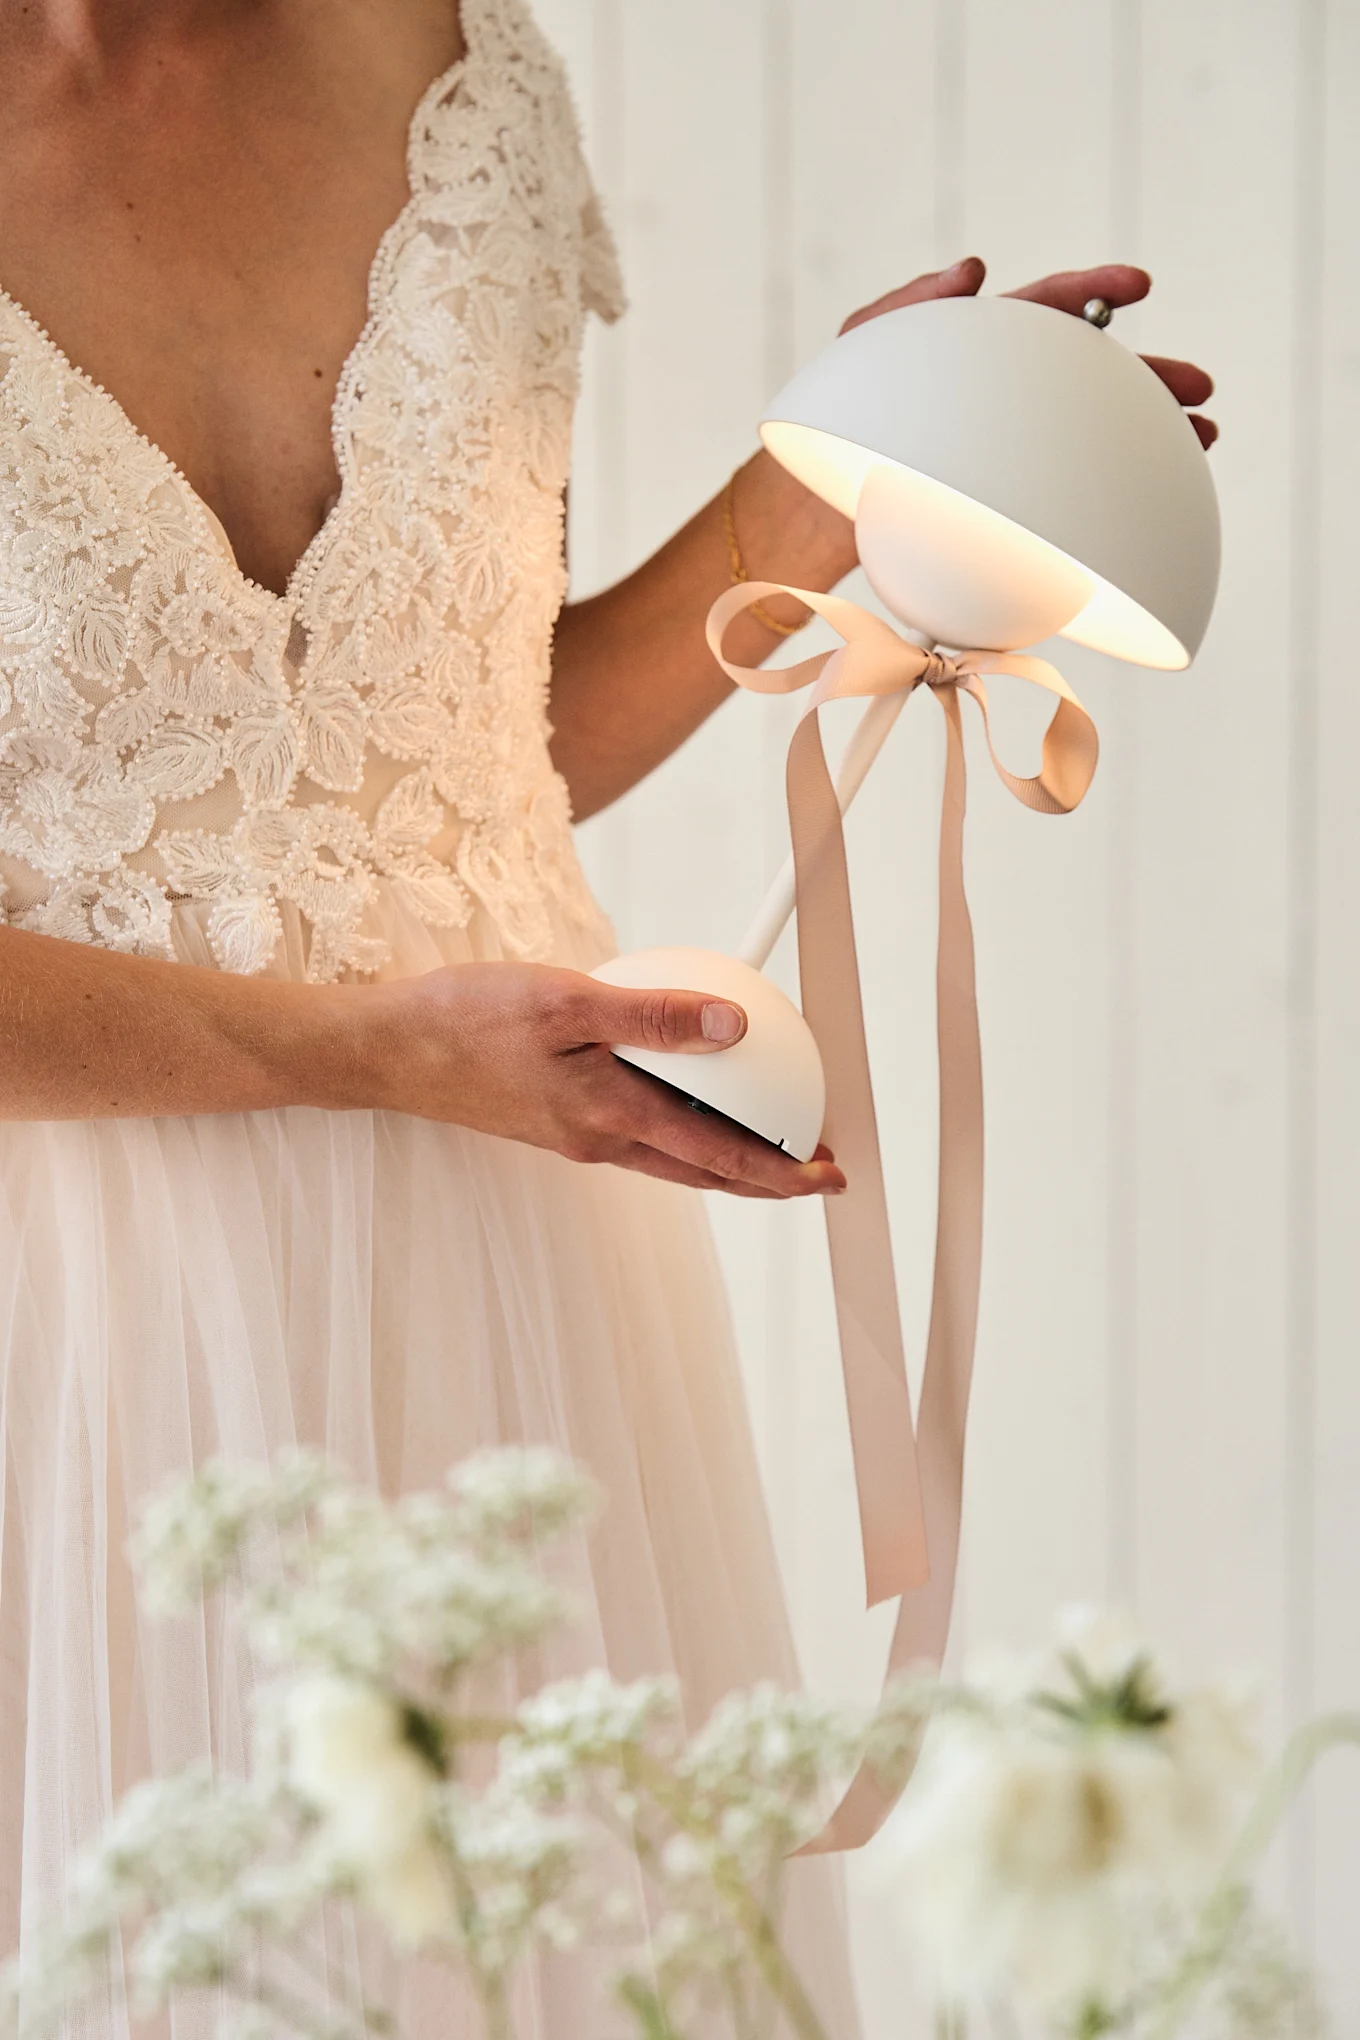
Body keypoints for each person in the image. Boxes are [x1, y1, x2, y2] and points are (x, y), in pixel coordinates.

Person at [0, 0, 1217, 2030]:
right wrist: (371, 1051)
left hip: (515, 1263)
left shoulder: (436, 44)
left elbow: (448, 746)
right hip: (73, 1306)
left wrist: (801, 516)